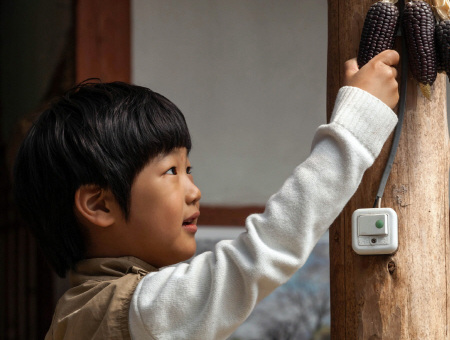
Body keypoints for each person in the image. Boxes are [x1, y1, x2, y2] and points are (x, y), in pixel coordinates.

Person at [13, 50, 400, 340]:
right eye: (171, 171)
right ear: (99, 204)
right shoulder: (129, 311)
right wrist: (356, 125)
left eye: (189, 170)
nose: (194, 191)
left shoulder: (88, 311)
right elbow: (259, 255)